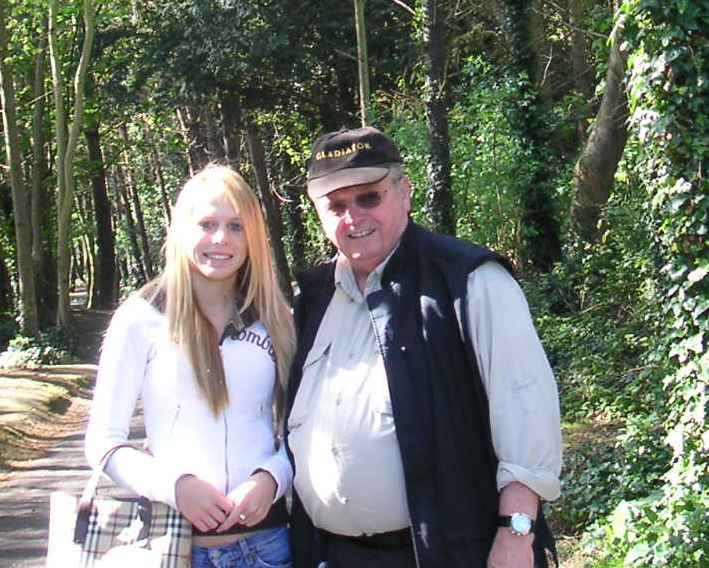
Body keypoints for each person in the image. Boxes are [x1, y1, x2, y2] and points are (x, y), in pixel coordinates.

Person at [285, 127, 562, 568]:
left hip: (444, 552)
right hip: (328, 553)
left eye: (369, 197)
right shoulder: (313, 297)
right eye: (336, 205)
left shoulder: (468, 281)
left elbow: (526, 408)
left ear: (405, 192)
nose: (352, 217)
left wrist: (517, 534)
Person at [85, 164, 295, 567]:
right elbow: (103, 441)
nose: (221, 239)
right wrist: (175, 487)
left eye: (236, 226)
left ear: (253, 236)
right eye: (206, 224)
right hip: (176, 549)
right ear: (182, 231)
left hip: (270, 547)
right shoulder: (140, 317)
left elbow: (303, 430)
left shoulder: (276, 319)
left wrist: (271, 478)